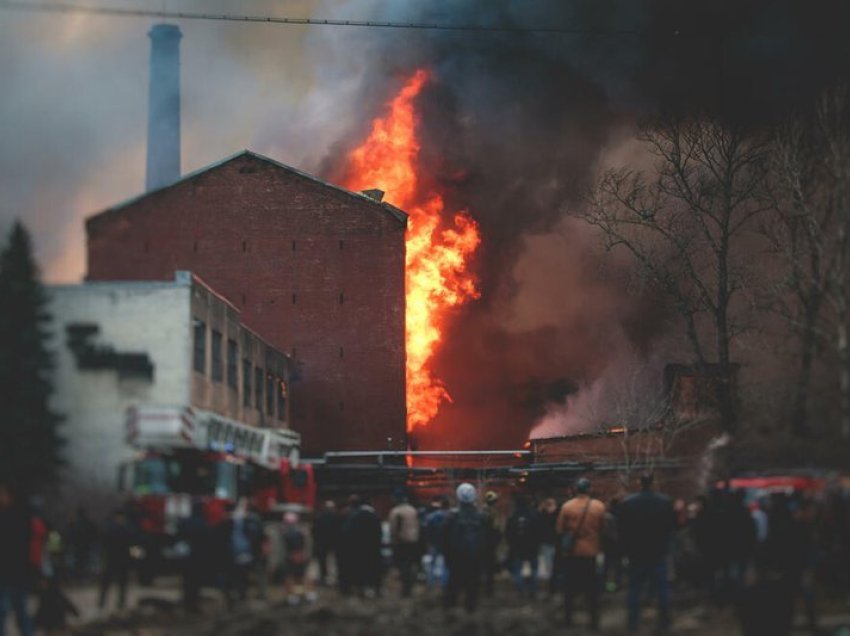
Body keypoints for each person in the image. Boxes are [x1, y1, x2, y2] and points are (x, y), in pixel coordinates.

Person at [617, 474, 677, 634]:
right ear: (653, 483)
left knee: (634, 589)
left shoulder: (628, 503)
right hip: (658, 551)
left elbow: (623, 530)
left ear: (639, 484)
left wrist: (625, 552)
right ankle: (664, 622)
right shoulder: (664, 502)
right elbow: (672, 527)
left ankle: (633, 623)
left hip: (636, 553)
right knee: (662, 589)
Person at [556, 477, 606, 631]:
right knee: (592, 590)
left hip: (573, 553)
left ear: (576, 490)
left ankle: (568, 619)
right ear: (589, 489)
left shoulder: (567, 507)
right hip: (591, 552)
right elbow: (603, 529)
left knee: (570, 589)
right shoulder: (598, 506)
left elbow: (559, 530)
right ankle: (593, 621)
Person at [443, 483, 487, 613]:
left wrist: (447, 556)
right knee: (473, 583)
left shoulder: (451, 516)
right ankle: (470, 607)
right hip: (475, 556)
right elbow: (487, 539)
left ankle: (450, 607)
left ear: (458, 497)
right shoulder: (481, 516)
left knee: (453, 581)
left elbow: (444, 538)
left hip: (455, 556)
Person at [0, 482, 36, 636]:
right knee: (21, 613)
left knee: (5, 612)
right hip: (19, 573)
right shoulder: (26, 517)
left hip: (8, 573)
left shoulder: (10, 518)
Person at [340, 496, 383, 597]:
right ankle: (376, 589)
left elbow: (347, 532)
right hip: (373, 547)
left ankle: (361, 589)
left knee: (360, 568)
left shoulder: (353, 516)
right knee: (373, 568)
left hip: (358, 547)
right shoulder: (374, 516)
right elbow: (379, 533)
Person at [98, 509, 134, 611]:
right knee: (108, 582)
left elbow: (131, 544)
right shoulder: (120, 528)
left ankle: (118, 602)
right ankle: (104, 602)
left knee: (120, 583)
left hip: (119, 558)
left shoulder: (111, 528)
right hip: (113, 558)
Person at [506, 495, 540, 598]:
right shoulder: (533, 516)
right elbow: (538, 532)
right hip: (532, 547)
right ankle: (533, 589)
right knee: (534, 569)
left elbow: (508, 533)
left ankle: (520, 589)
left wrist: (511, 544)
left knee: (518, 569)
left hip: (517, 547)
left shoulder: (513, 517)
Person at [388, 490, 420, 598]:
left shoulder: (396, 511)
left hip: (401, 541)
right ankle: (410, 586)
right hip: (414, 541)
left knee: (403, 565)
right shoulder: (413, 510)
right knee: (411, 564)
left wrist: (393, 542)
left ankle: (405, 588)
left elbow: (393, 529)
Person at [281, 511, 314, 605]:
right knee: (304, 576)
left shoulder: (285, 532)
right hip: (301, 556)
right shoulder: (302, 531)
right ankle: (309, 594)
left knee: (290, 576)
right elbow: (306, 544)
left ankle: (293, 596)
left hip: (290, 556)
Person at [312, 500, 341, 586]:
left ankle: (323, 577)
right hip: (334, 543)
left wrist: (316, 540)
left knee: (322, 561)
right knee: (334, 561)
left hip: (322, 543)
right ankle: (335, 578)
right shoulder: (337, 517)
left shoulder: (319, 517)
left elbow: (314, 531)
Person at [423, 497, 450, 589]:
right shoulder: (451, 516)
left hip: (434, 542)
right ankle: (445, 583)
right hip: (447, 544)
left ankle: (431, 583)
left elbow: (427, 531)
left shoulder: (431, 516)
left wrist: (428, 542)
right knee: (446, 564)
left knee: (432, 563)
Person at [481, 490, 503, 597]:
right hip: (491, 543)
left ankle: (481, 585)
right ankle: (489, 588)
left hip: (482, 542)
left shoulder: (480, 512)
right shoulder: (495, 513)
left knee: (482, 565)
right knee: (490, 566)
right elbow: (497, 528)